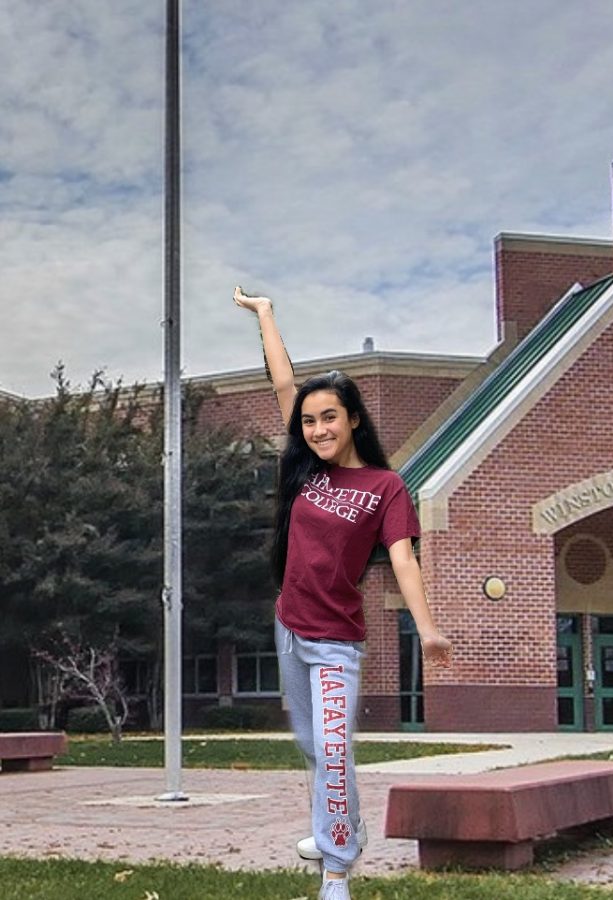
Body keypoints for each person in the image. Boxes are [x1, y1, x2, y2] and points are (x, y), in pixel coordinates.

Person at [233, 286, 452, 900]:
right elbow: (284, 383)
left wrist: (427, 627)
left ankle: (335, 869)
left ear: (354, 418)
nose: (318, 427)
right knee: (312, 745)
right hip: (289, 627)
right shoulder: (305, 469)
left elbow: (404, 560)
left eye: (330, 416)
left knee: (332, 749)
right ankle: (342, 823)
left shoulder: (386, 486)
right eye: (309, 420)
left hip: (336, 644)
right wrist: (266, 315)